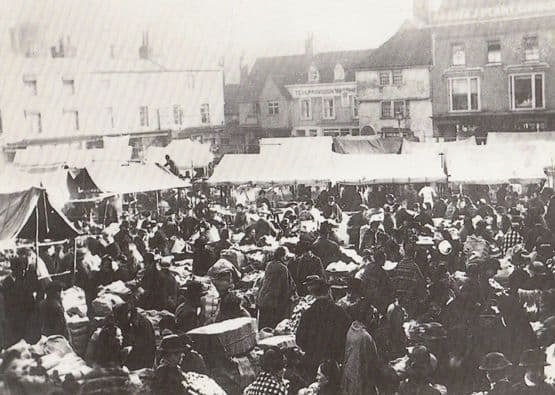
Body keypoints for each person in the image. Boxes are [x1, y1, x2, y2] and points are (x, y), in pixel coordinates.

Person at [296, 276, 352, 379]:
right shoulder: (339, 312)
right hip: (333, 363)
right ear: (328, 292)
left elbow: (299, 340)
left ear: (314, 294)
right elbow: (348, 334)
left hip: (312, 362)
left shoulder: (308, 313)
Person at [341, 301, 380, 395]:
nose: (373, 318)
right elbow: (374, 361)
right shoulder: (365, 337)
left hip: (348, 374)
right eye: (371, 315)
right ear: (365, 315)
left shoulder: (352, 328)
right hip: (359, 377)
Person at [1, 255, 40, 346]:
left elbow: (32, 295)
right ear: (14, 270)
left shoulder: (25, 280)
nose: (23, 272)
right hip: (15, 317)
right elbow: (7, 302)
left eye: (23, 269)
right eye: (20, 270)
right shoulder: (7, 283)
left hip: (27, 315)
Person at [257, 247, 297, 329]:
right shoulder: (283, 268)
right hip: (273, 303)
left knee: (263, 326)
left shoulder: (269, 264)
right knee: (272, 327)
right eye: (286, 256)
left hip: (264, 299)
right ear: (282, 256)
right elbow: (285, 288)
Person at [113, 302, 156, 370]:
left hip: (143, 360)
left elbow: (145, 346)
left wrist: (128, 349)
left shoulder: (142, 324)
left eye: (122, 318)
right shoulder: (125, 321)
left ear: (129, 313)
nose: (120, 321)